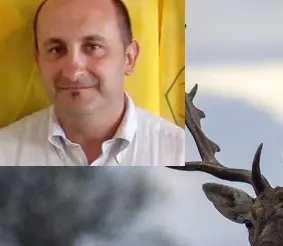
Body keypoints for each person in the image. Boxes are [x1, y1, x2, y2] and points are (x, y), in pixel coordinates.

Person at [0, 0, 185, 166]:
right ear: (38, 61)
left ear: (129, 58)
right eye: (56, 50)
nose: (73, 73)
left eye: (93, 47)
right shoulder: (5, 151)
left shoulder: (181, 153)